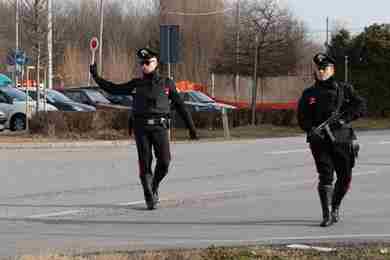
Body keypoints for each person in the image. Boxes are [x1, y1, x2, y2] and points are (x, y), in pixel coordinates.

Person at [90, 47, 198, 210]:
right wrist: (96, 76)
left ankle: (154, 185)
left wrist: (191, 129)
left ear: (156, 63)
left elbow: (181, 106)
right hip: (141, 129)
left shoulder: (166, 84)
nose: (144, 66)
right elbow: (113, 88)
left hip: (160, 128)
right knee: (145, 163)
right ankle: (149, 194)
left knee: (164, 162)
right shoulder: (136, 84)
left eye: (147, 62)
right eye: (142, 63)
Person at [297, 53, 366, 227]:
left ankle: (335, 206)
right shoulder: (309, 94)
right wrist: (310, 129)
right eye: (318, 69)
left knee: (345, 177)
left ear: (332, 69)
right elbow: (302, 117)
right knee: (325, 176)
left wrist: (344, 119)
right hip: (320, 141)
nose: (321, 72)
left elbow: (360, 105)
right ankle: (327, 214)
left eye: (324, 68)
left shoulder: (344, 89)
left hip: (342, 139)